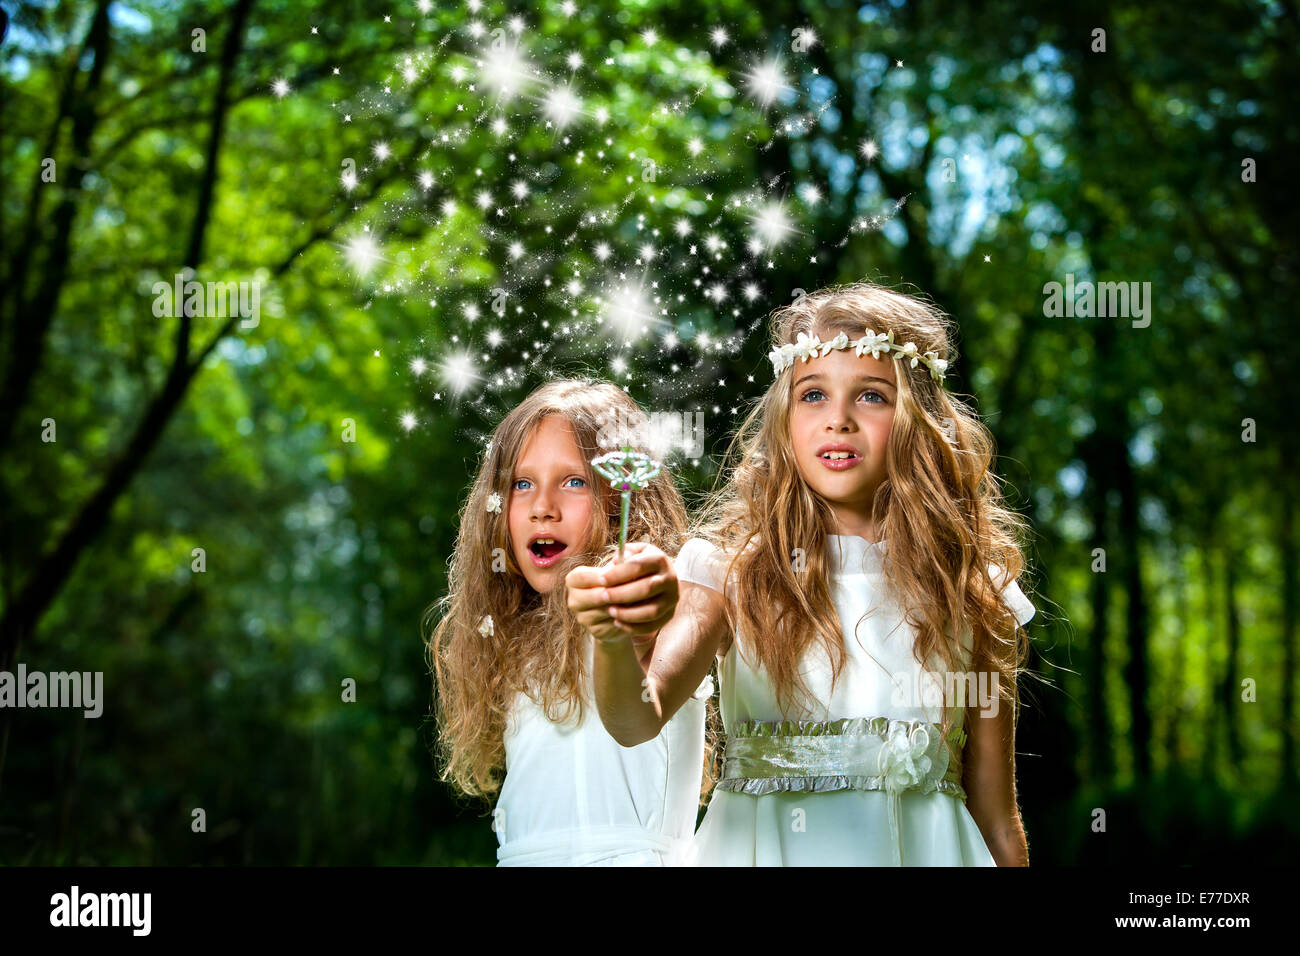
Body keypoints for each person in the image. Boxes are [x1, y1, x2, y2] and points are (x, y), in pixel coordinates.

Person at [570, 282, 1039, 865]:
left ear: (917, 420)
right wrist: (613, 641)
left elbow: (997, 818)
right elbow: (637, 717)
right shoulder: (728, 573)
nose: (837, 420)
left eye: (871, 396)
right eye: (812, 395)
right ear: (785, 420)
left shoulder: (973, 589)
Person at [426, 378, 711, 866]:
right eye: (522, 483)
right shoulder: (511, 633)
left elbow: (635, 705)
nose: (542, 508)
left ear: (625, 497)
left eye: (574, 481)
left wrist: (622, 620)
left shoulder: (666, 597)